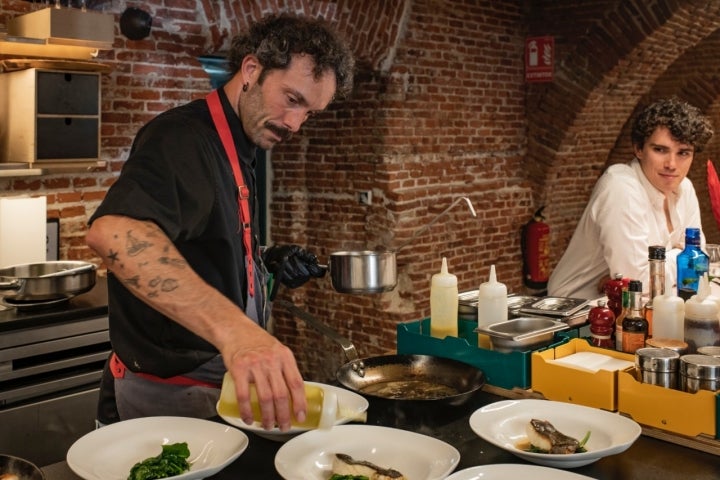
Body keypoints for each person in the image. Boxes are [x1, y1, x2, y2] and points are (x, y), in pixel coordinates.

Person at [85, 13, 355, 431]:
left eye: (310, 113)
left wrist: (263, 261)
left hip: (219, 386)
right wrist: (239, 334)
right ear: (251, 70)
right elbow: (115, 233)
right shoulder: (181, 138)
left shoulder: (242, 141)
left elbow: (198, 243)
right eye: (293, 99)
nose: (295, 124)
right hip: (166, 396)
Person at [547, 97, 714, 299]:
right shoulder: (620, 186)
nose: (671, 164)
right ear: (638, 149)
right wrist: (684, 255)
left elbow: (698, 262)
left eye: (683, 153)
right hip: (575, 310)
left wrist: (667, 264)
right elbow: (638, 282)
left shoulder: (684, 187)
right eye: (660, 150)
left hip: (636, 305)